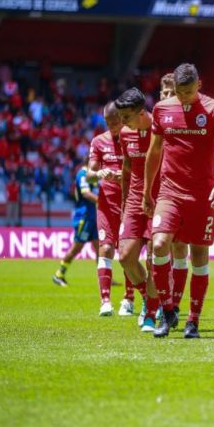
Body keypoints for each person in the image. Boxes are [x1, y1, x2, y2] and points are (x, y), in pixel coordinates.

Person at [143, 63, 214, 339]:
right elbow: (154, 151)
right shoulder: (162, 109)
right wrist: (148, 191)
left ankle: (193, 320)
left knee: (199, 257)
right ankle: (168, 311)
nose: (183, 97)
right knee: (159, 243)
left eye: (189, 92)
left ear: (199, 85)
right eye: (180, 92)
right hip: (169, 192)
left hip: (202, 196)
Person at [115, 87, 162, 332]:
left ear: (141, 112)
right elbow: (126, 169)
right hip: (134, 201)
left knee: (155, 260)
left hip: (160, 199)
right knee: (125, 257)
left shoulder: (160, 128)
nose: (121, 122)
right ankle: (148, 297)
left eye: (126, 117)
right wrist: (124, 204)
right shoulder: (125, 134)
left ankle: (152, 313)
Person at [86, 102, 130, 317]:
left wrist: (123, 176)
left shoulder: (133, 138)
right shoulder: (98, 142)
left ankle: (129, 299)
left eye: (116, 122)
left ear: (123, 118)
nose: (113, 127)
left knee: (126, 253)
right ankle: (105, 301)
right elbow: (89, 173)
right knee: (105, 249)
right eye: (109, 123)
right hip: (106, 203)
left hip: (130, 202)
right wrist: (100, 173)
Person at [159, 73, 191, 316]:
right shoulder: (154, 119)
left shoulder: (185, 121)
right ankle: (152, 305)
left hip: (179, 193)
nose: (169, 98)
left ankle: (173, 306)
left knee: (179, 249)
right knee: (156, 247)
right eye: (165, 93)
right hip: (156, 193)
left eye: (173, 93)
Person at [52, 162, 98, 287]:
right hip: (85, 217)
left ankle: (105, 279)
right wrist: (102, 201)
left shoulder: (93, 174)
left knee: (101, 249)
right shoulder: (83, 174)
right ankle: (59, 274)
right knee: (76, 248)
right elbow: (86, 193)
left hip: (94, 217)